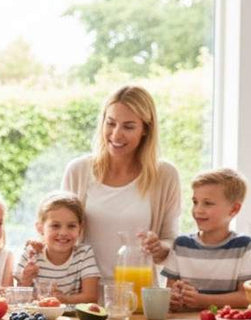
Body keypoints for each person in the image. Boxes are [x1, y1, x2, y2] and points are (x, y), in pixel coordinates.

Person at [62, 85, 181, 281]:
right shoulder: (78, 171)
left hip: (139, 295)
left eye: (128, 126)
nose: (116, 134)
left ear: (145, 129)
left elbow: (171, 241)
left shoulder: (164, 175)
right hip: (85, 297)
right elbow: (59, 231)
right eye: (111, 123)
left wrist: (159, 247)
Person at [162, 168, 251, 310]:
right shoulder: (181, 245)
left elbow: (247, 297)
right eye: (195, 202)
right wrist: (175, 297)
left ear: (234, 210)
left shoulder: (244, 246)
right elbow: (169, 292)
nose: (198, 210)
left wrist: (203, 300)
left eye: (207, 203)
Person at [14, 191, 100, 304]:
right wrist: (25, 280)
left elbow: (91, 296)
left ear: (80, 228)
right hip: (38, 318)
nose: (63, 232)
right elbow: (17, 298)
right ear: (40, 228)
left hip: (73, 319)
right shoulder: (32, 253)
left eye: (71, 226)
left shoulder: (84, 254)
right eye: (55, 226)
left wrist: (64, 300)